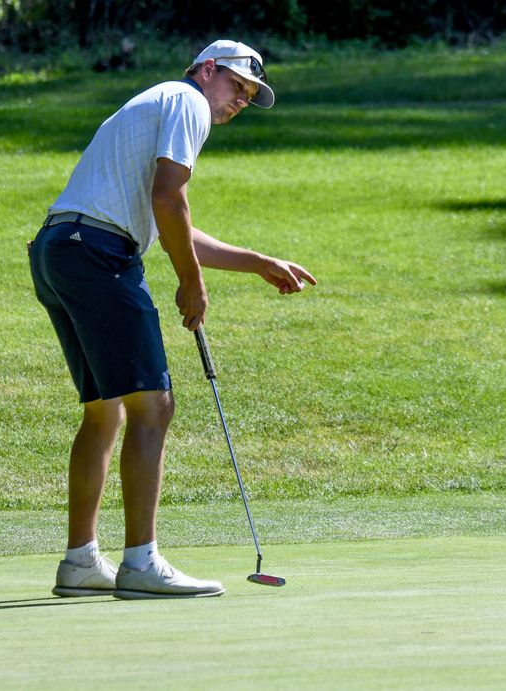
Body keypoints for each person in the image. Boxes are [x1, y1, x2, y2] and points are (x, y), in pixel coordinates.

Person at [28, 40, 315, 600]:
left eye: (249, 95)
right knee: (153, 403)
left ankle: (81, 561)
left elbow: (169, 222)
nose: (239, 101)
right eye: (236, 86)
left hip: (59, 247)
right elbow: (170, 199)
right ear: (208, 71)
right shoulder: (186, 101)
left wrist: (256, 263)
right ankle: (140, 563)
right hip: (96, 252)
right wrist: (191, 282)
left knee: (106, 411)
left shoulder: (159, 107)